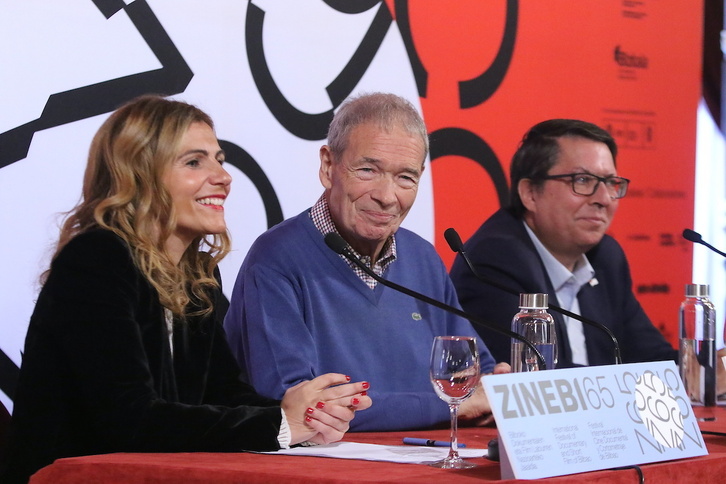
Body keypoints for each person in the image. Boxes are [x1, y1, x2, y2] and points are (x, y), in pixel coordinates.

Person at [2, 96, 371, 484]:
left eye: (219, 159)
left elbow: (226, 394)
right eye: (194, 162)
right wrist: (279, 422)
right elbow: (128, 420)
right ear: (139, 174)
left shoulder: (196, 276)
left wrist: (308, 416)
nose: (224, 177)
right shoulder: (96, 260)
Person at [224, 92, 507, 432]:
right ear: (328, 166)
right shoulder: (275, 260)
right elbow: (299, 408)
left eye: (406, 177)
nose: (387, 197)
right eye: (368, 170)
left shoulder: (422, 257)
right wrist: (452, 405)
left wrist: (495, 388)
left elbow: (474, 378)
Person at [450, 119, 678, 368]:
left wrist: (704, 370)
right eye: (582, 180)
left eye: (611, 183)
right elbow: (533, 378)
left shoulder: (606, 257)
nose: (603, 199)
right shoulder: (494, 259)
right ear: (530, 193)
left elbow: (652, 357)